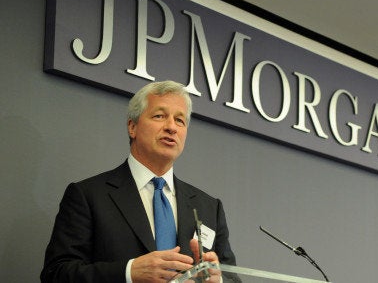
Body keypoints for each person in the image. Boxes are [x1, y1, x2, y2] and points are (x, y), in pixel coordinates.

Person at [41, 81, 239, 282]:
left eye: (180, 120)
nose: (171, 127)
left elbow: (232, 278)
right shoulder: (88, 196)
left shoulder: (209, 207)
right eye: (160, 116)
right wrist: (129, 272)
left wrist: (218, 280)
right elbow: (56, 273)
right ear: (132, 127)